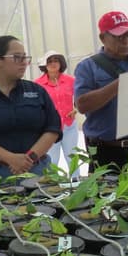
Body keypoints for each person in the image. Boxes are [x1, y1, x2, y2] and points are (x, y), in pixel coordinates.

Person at [0, 36, 61, 191]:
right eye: (17, 57)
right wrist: (10, 159)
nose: (24, 62)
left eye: (25, 57)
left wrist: (29, 158)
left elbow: (53, 127)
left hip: (36, 170)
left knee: (42, 213)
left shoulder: (37, 91)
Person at [75, 11, 128, 170]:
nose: (126, 41)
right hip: (104, 150)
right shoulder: (87, 67)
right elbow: (82, 105)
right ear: (103, 38)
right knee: (105, 193)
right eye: (119, 36)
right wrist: (122, 83)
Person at [35, 50, 79, 179]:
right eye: (49, 61)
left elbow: (81, 96)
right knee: (52, 160)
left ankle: (76, 184)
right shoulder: (38, 84)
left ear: (61, 63)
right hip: (50, 128)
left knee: (72, 158)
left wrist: (75, 109)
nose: (53, 64)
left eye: (56, 60)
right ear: (44, 65)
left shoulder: (71, 81)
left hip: (69, 126)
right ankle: (53, 185)